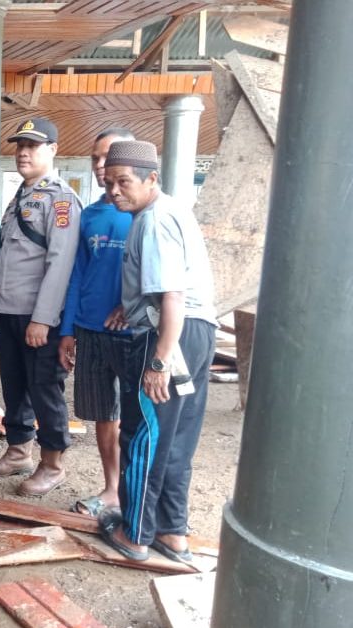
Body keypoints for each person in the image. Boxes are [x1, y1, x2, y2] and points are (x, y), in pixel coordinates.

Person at [98, 140, 217, 563]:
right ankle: (172, 533)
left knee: (144, 437)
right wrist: (127, 306)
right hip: (199, 333)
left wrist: (160, 361)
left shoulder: (153, 221)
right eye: (109, 182)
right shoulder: (171, 211)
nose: (114, 190)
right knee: (177, 439)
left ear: (151, 179)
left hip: (168, 337)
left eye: (124, 181)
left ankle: (135, 534)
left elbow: (171, 296)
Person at [0, 117, 83, 497]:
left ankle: (53, 465)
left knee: (45, 390)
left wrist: (42, 319)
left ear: (52, 151)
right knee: (16, 387)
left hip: (39, 315)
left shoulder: (60, 199)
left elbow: (61, 263)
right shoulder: (19, 197)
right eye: (19, 145)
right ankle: (19, 451)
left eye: (32, 146)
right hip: (9, 312)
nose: (23, 152)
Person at [57, 128, 136, 516]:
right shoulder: (88, 216)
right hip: (90, 329)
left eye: (109, 156)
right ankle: (111, 489)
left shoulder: (145, 214)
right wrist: (67, 330)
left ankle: (135, 492)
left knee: (135, 418)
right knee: (105, 415)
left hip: (133, 334)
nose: (101, 165)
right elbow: (76, 275)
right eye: (95, 158)